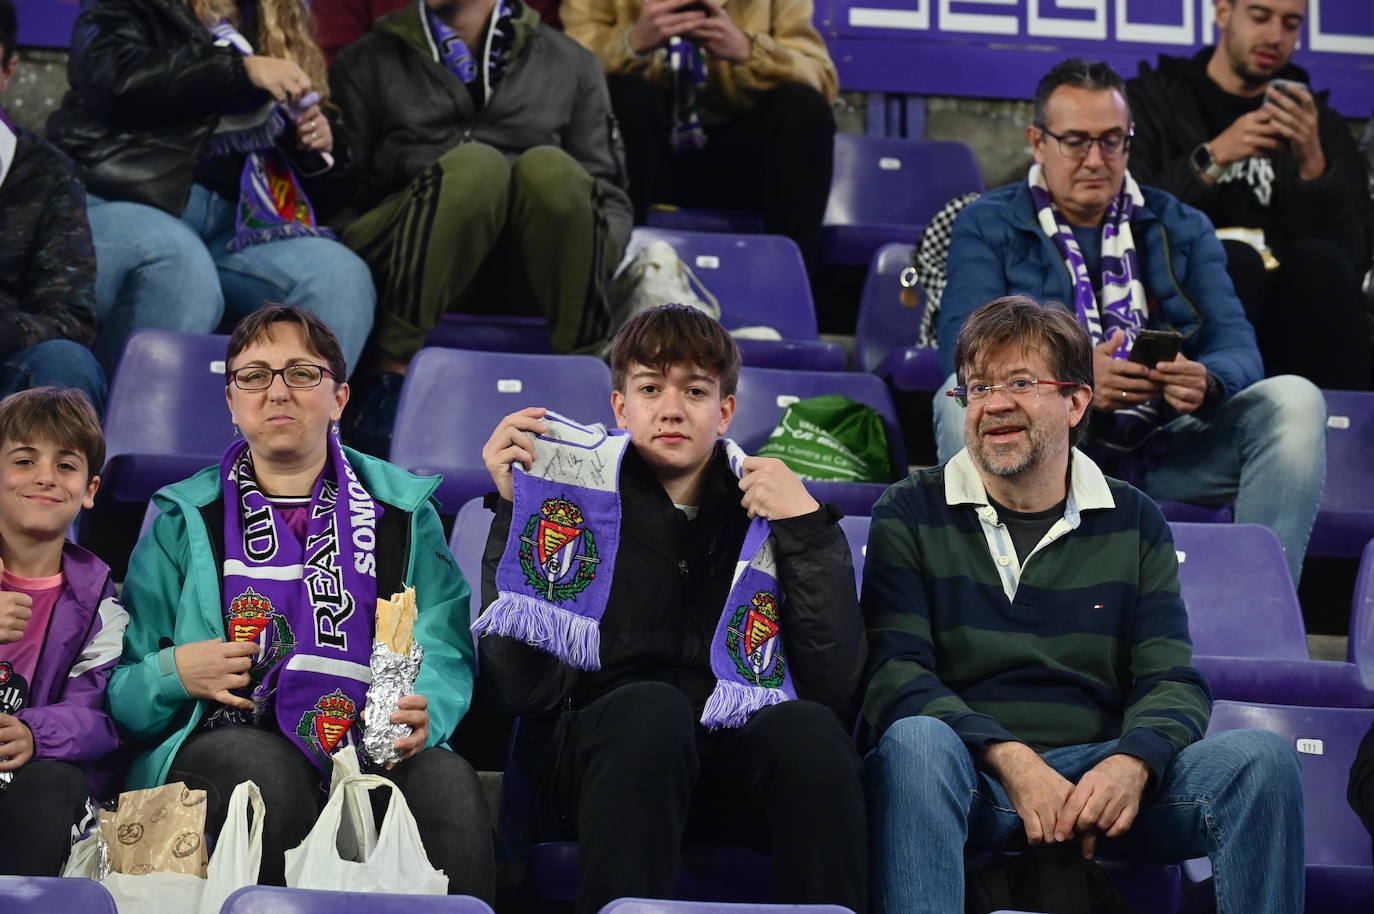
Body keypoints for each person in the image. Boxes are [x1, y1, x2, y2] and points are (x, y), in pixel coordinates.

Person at [866, 293, 1305, 914]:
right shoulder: (910, 509)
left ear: (1076, 401)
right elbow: (895, 674)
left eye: (1020, 382)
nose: (994, 404)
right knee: (912, 742)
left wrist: (1132, 762)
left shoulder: (1134, 519)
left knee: (1260, 762)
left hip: (1100, 773)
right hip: (969, 773)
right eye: (978, 386)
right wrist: (1013, 761)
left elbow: (1171, 679)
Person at [476, 304, 867, 914]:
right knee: (650, 712)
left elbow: (833, 687)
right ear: (620, 406)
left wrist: (810, 533)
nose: (672, 408)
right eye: (650, 388)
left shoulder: (774, 507)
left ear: (726, 409)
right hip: (601, 761)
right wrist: (515, 509)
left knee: (810, 731)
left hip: (726, 761)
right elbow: (515, 687)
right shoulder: (566, 492)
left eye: (695, 390)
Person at [107, 305, 492, 896]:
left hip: (369, 740)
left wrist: (426, 712)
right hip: (215, 742)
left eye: (302, 374)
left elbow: (442, 648)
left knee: (446, 781)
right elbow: (122, 698)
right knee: (262, 771)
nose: (278, 392)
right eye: (254, 375)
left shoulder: (404, 514)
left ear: (340, 398)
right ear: (232, 403)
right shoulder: (181, 519)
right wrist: (174, 672)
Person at [934, 57, 1325, 585]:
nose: (1096, 158)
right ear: (1038, 141)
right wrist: (1073, 379)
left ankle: (1260, 609)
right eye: (1076, 141)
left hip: (1166, 445)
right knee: (952, 401)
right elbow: (966, 353)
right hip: (1047, 446)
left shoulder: (1183, 224)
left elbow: (1238, 346)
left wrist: (1206, 381)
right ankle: (989, 599)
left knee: (1295, 401)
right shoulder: (988, 221)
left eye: (1113, 140)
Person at [330, 0, 632, 454]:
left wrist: (583, 257)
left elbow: (610, 199)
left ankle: (585, 378)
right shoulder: (368, 58)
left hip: (531, 272)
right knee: (476, 167)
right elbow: (340, 194)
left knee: (552, 170)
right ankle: (388, 375)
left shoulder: (572, 62)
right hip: (408, 258)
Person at [46, 0, 376, 377]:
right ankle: (121, 432)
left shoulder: (275, 20)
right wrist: (240, 70)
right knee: (180, 268)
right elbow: (111, 77)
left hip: (234, 228)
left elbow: (332, 194)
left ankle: (288, 435)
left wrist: (319, 148)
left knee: (339, 276)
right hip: (116, 201)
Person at [1126, 0, 1374, 391]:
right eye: (1260, 17)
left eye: (1291, 24)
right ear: (1223, 12)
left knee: (1320, 263)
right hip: (1197, 301)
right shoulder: (1156, 101)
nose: (1275, 36)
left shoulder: (1319, 122)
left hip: (1295, 312)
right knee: (1234, 260)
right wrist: (1214, 157)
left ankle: (1351, 437)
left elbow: (1354, 261)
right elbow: (1128, 220)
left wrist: (1312, 162)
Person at [561, 0, 836, 268]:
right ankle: (614, 278)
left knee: (804, 110)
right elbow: (567, 69)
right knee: (626, 97)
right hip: (641, 159)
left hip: (741, 162)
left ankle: (791, 284)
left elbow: (821, 78)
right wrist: (631, 44)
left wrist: (748, 50)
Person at [0, 386, 126, 876]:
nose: (46, 478)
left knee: (55, 783)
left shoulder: (100, 603)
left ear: (90, 490)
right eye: (25, 460)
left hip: (24, 784)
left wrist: (35, 732)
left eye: (66, 466)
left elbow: (99, 720)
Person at [0, 0, 106, 410]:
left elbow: (71, 318)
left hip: (8, 366)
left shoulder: (49, 175)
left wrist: (7, 330)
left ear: (8, 71)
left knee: (67, 363)